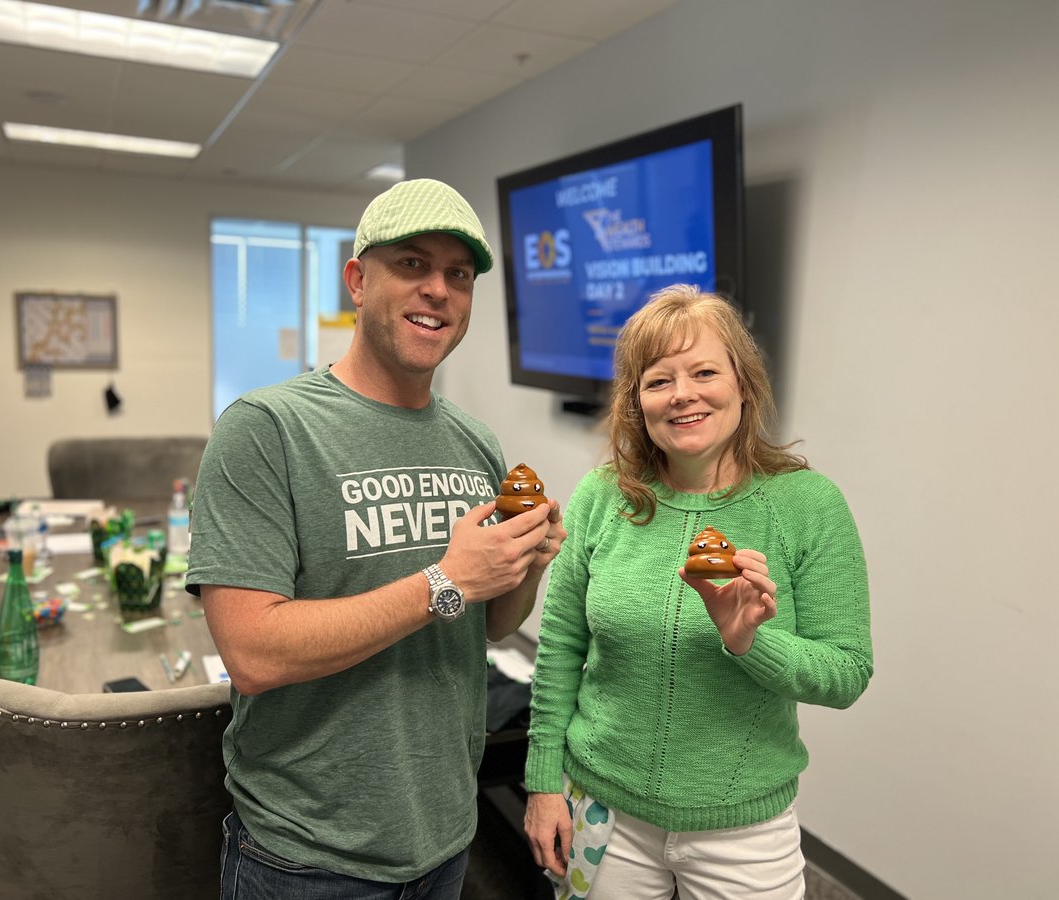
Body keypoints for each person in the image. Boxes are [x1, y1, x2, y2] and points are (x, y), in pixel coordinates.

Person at [186, 178, 566, 900]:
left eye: (459, 275)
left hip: (444, 835)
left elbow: (489, 626)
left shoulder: (475, 444)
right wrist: (447, 580)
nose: (439, 291)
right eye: (414, 265)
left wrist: (522, 570)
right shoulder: (266, 429)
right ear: (359, 281)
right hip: (306, 853)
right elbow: (253, 653)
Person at [523, 284, 872, 900]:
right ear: (637, 402)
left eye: (705, 371)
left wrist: (751, 642)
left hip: (744, 830)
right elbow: (559, 648)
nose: (683, 394)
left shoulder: (808, 506)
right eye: (658, 381)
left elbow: (846, 673)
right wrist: (542, 780)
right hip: (603, 809)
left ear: (743, 382)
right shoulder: (604, 495)